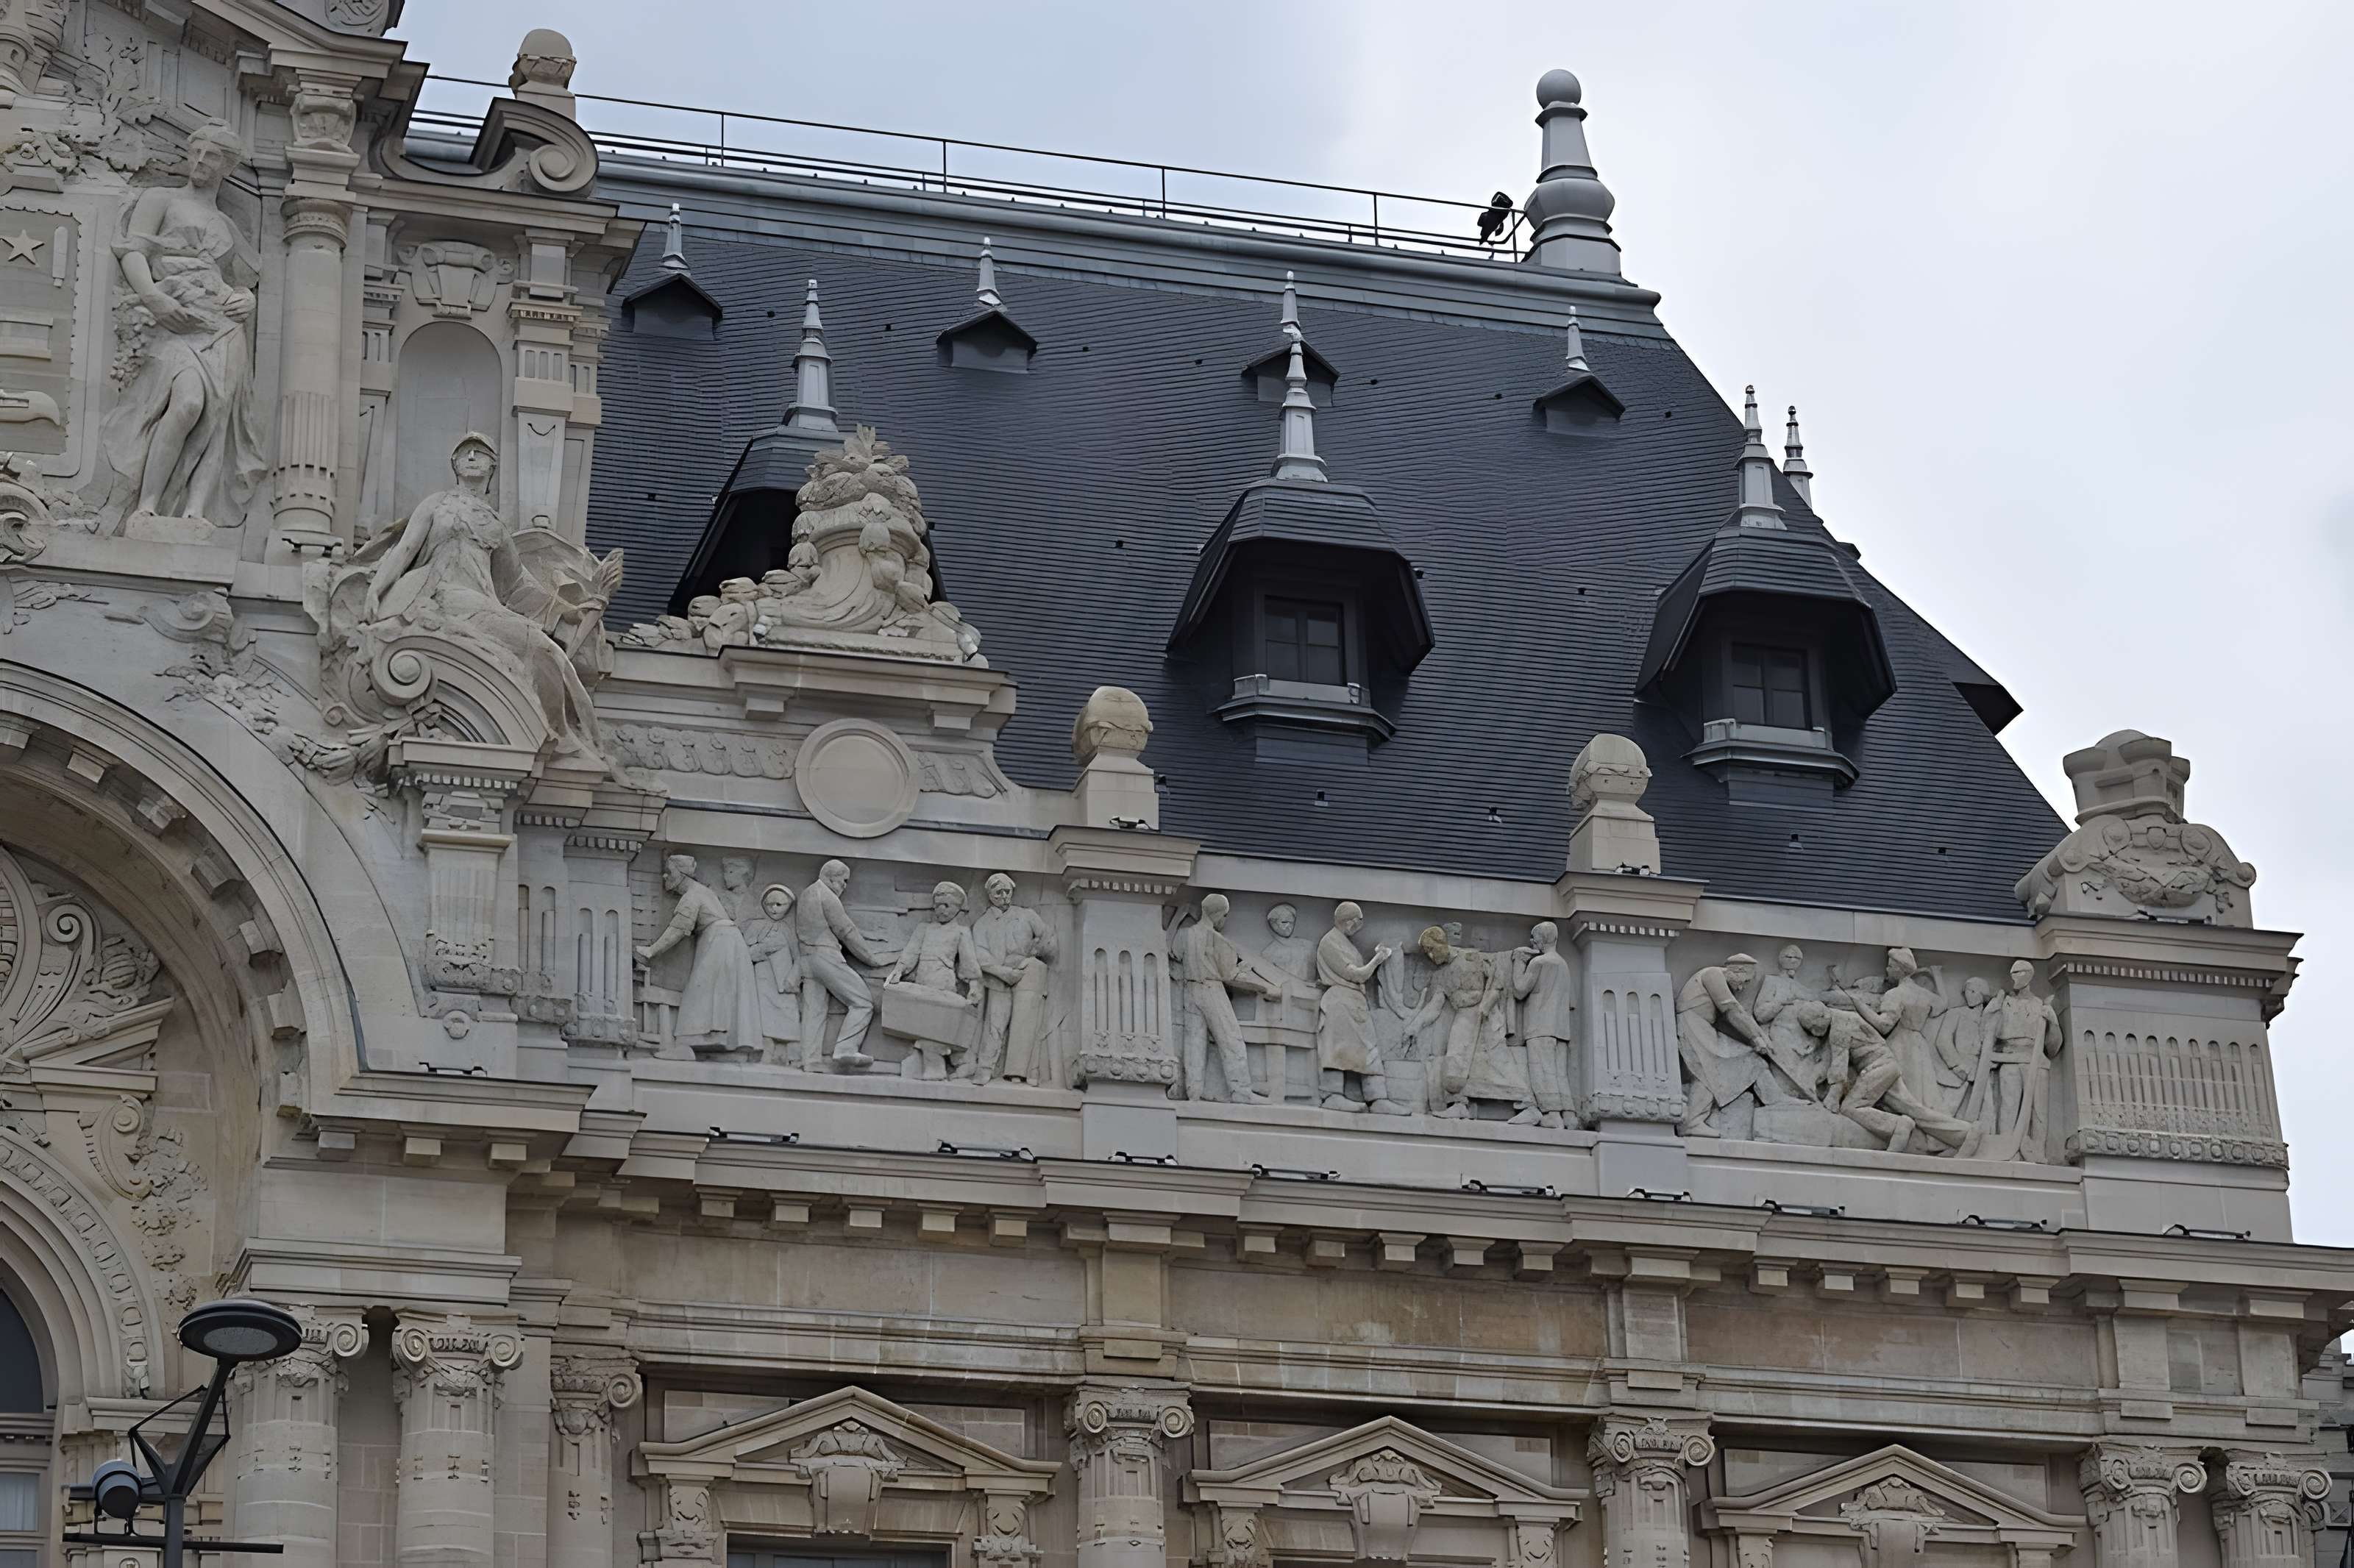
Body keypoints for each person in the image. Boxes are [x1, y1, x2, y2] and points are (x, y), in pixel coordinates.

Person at [353, 433, 609, 763]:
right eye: (465, 453)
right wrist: (377, 589)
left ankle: (563, 736)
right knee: (538, 645)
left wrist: (568, 613)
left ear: (493, 466)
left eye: (480, 452)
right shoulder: (437, 503)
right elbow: (405, 550)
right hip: (442, 596)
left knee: (548, 651)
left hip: (481, 604)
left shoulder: (495, 523)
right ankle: (563, 740)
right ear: (455, 465)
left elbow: (515, 586)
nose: (472, 457)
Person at [93, 121, 266, 531]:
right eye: (196, 152)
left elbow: (243, 279)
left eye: (212, 156)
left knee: (216, 419)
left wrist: (248, 298)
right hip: (176, 318)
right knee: (188, 404)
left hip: (222, 326)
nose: (201, 161)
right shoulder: (162, 199)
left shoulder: (227, 225)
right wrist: (153, 296)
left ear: (228, 167)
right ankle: (147, 505)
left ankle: (194, 513)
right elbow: (133, 252)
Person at [1796, 999, 1980, 1156]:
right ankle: (1965, 1134)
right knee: (1914, 1109)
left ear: (1823, 1016)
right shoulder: (1842, 1019)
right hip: (1887, 1066)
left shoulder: (1839, 1026)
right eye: (1809, 1029)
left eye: (1813, 1026)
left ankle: (1898, 1126)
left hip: (1877, 1068)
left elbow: (1839, 1066)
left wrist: (1833, 1098)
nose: (1813, 1032)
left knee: (1850, 1107)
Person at [636, 855, 763, 1058]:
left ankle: (688, 1044)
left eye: (669, 872)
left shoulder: (693, 895)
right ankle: (710, 1041)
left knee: (700, 992)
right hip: (725, 942)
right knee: (715, 994)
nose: (665, 876)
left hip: (719, 944)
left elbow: (678, 929)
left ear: (681, 874)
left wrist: (651, 951)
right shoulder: (703, 892)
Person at [1178, 894, 1278, 1103]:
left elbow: (1174, 954)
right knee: (1231, 1039)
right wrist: (1265, 987)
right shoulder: (1218, 940)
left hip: (1189, 991)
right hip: (1212, 990)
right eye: (1225, 915)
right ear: (1216, 915)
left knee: (1194, 1041)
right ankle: (1241, 1091)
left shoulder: (1185, 935)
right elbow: (1232, 976)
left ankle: (1194, 1091)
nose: (1225, 920)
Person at [795, 858, 889, 1068]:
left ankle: (810, 1061)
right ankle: (846, 1049)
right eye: (844, 881)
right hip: (826, 958)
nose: (845, 886)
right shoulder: (827, 895)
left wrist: (871, 936)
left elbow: (825, 927)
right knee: (863, 1002)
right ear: (831, 878)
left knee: (814, 1011)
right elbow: (846, 931)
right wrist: (871, 959)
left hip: (807, 959)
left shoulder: (808, 893)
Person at [1315, 902, 1405, 1114]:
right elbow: (1357, 974)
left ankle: (1377, 1097)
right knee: (1337, 1050)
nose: (1358, 927)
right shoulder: (1330, 942)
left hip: (1355, 1003)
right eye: (1358, 922)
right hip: (1340, 1002)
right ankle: (1332, 1095)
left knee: (1370, 1051)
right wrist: (1378, 959)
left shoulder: (1346, 943)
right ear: (1349, 921)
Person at [889, 880, 985, 1078]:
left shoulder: (961, 932)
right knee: (922, 1024)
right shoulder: (924, 929)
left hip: (944, 983)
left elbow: (968, 962)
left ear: (957, 908)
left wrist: (975, 985)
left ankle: (937, 1068)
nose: (941, 910)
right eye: (938, 905)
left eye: (947, 906)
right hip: (923, 982)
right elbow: (911, 953)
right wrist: (899, 970)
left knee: (937, 1027)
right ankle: (927, 1064)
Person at [1969, 961, 2061, 1161]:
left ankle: (2037, 1151)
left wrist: (2053, 1023)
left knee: (2039, 1111)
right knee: (2008, 1109)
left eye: (2018, 973)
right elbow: (1986, 1034)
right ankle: (2007, 1152)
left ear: (2029, 975)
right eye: (2013, 973)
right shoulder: (2004, 1002)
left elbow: (2053, 1047)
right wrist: (1991, 1011)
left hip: (2036, 1061)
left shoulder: (2040, 1006)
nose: (2014, 977)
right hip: (2008, 1058)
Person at [1677, 955, 1778, 1136]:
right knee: (1707, 1072)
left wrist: (1762, 1037)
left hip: (1704, 1027)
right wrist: (1756, 1038)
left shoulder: (1721, 981)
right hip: (1693, 1023)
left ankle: (1777, 1099)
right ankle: (1692, 1122)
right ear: (1737, 970)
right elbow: (1732, 1010)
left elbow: (1735, 1015)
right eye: (1744, 981)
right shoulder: (1713, 975)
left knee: (1730, 1064)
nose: (1742, 987)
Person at [1849, 948, 1957, 1116]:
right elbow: (1943, 1003)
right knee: (1919, 1095)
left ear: (1900, 970)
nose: (1887, 970)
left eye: (1891, 966)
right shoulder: (1924, 994)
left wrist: (1859, 1006)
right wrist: (1937, 975)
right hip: (1919, 1047)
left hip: (1900, 1044)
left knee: (1897, 1094)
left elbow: (1884, 1025)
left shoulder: (1895, 994)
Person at [971, 872, 1055, 1085]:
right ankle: (984, 1069)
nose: (1004, 896)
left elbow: (1049, 941)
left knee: (1024, 1023)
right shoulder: (982, 923)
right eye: (998, 892)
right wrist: (1003, 973)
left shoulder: (1027, 915)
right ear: (990, 895)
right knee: (995, 1023)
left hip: (1028, 973)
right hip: (999, 978)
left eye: (1007, 891)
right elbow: (980, 957)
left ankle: (1019, 1071)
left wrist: (1036, 950)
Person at [1511, 922, 1576, 1128]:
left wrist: (1518, 962)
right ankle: (1569, 1115)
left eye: (1534, 937)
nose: (1532, 941)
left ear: (1541, 940)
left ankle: (1552, 1113)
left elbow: (1519, 990)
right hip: (1561, 1028)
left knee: (1541, 1070)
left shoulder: (1539, 963)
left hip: (1540, 1026)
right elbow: (1571, 1003)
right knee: (1560, 1073)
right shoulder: (1563, 965)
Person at [742, 884, 803, 1063]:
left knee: (788, 1012)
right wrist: (763, 949)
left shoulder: (788, 930)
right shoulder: (755, 926)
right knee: (764, 1014)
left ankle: (792, 1054)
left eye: (779, 905)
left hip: (785, 981)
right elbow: (744, 952)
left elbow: (798, 955)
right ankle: (766, 1050)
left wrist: (795, 976)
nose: (774, 909)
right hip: (762, 979)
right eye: (770, 905)